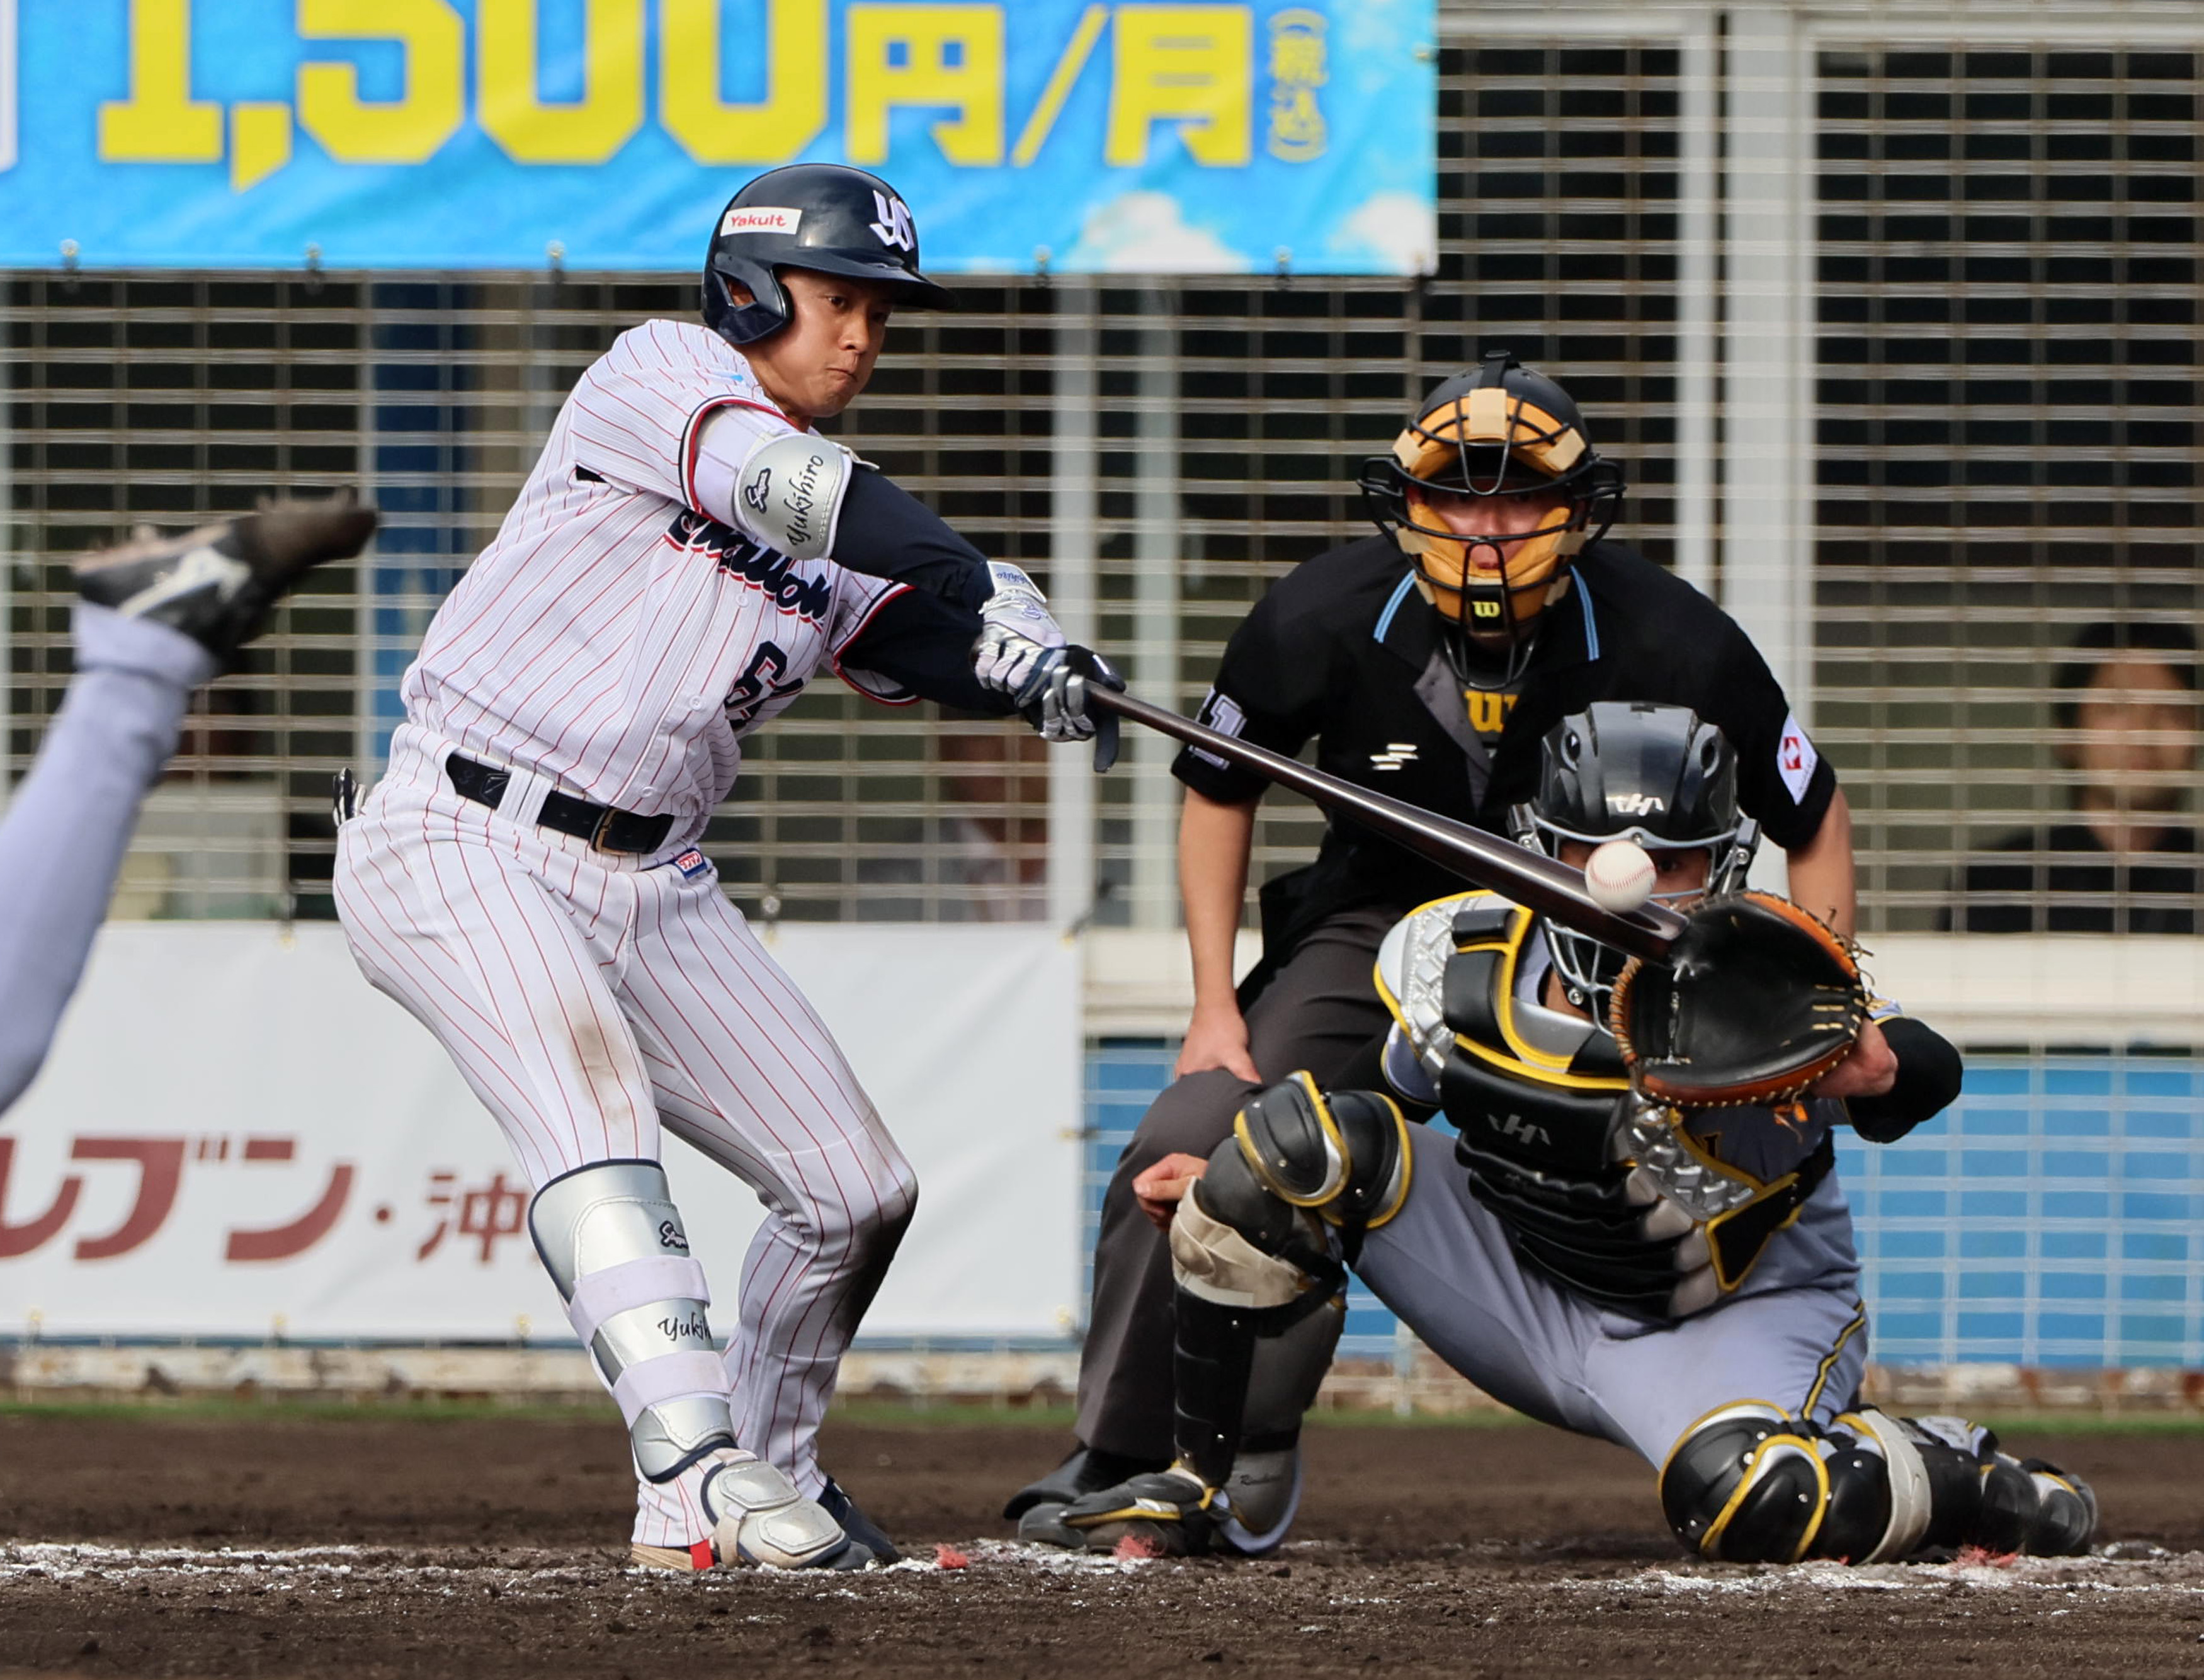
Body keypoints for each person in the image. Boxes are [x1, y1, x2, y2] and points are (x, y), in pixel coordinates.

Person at [331, 163, 1106, 1574]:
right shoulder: (663, 376)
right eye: (837, 298)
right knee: (594, 1100)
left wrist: (1033, 669)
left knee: (852, 1189)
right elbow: (814, 501)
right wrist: (979, 578)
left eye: (882, 310)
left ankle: (770, 1478)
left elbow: (907, 627)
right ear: (752, 287)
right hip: (460, 829)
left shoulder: (846, 527)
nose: (863, 333)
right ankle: (693, 1467)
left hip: (652, 875)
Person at [1006, 351, 1858, 1545]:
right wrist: (1214, 1007)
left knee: (1738, 1163)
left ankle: (1782, 1390)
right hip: (1375, 928)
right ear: (1407, 500)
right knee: (1200, 1136)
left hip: (1604, 946)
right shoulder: (1317, 614)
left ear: (1579, 507)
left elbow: (1812, 817)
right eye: (1461, 492)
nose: (1490, 527)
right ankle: (1143, 1450)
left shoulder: (1680, 635)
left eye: (1520, 496)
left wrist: (1801, 997)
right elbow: (1215, 791)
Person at [1052, 703, 2097, 1567]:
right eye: (1592, 848)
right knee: (1283, 1142)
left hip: (1725, 1314)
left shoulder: (1766, 982)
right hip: (1519, 1278)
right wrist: (1238, 1185)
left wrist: (1874, 1065)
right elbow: (1378, 1127)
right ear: (1541, 848)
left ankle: (1973, 1474)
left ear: (1724, 865)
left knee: (1751, 1499)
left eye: (1675, 862)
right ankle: (1212, 1479)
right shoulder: (1448, 953)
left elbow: (1924, 1074)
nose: (1628, 878)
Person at [0, 497, 376, 1113]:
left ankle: (136, 659)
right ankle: (136, 658)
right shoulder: (47, 847)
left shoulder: (303, 845)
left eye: (209, 709)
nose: (190, 733)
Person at [1950, 620, 2200, 933]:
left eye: (2171, 711)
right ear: (2067, 734)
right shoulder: (1997, 885)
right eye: (2117, 708)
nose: (2143, 732)